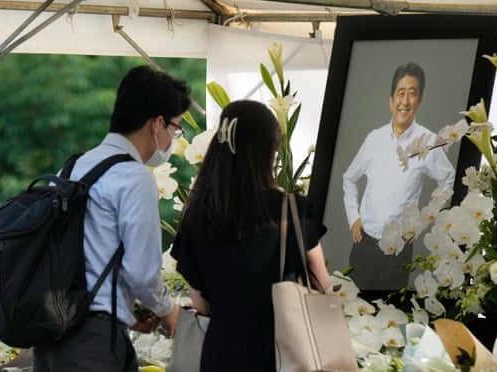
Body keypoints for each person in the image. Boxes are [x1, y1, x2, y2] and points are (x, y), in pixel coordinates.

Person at [32, 65, 190, 371]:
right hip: (92, 341)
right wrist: (169, 312)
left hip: (50, 336)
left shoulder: (71, 170)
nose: (173, 139)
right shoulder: (134, 177)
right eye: (175, 129)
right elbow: (142, 273)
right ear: (158, 123)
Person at [171, 99, 331, 372]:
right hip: (281, 353)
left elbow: (200, 303)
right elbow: (322, 285)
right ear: (270, 152)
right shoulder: (290, 210)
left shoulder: (196, 217)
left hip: (220, 353)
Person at [342, 62, 455, 299]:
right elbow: (349, 179)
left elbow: (449, 181)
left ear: (419, 100)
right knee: (351, 313)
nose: (405, 101)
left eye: (412, 94)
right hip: (363, 245)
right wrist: (354, 217)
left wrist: (422, 220)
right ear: (391, 100)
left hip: (397, 254)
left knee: (389, 318)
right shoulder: (374, 138)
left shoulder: (429, 141)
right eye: (400, 93)